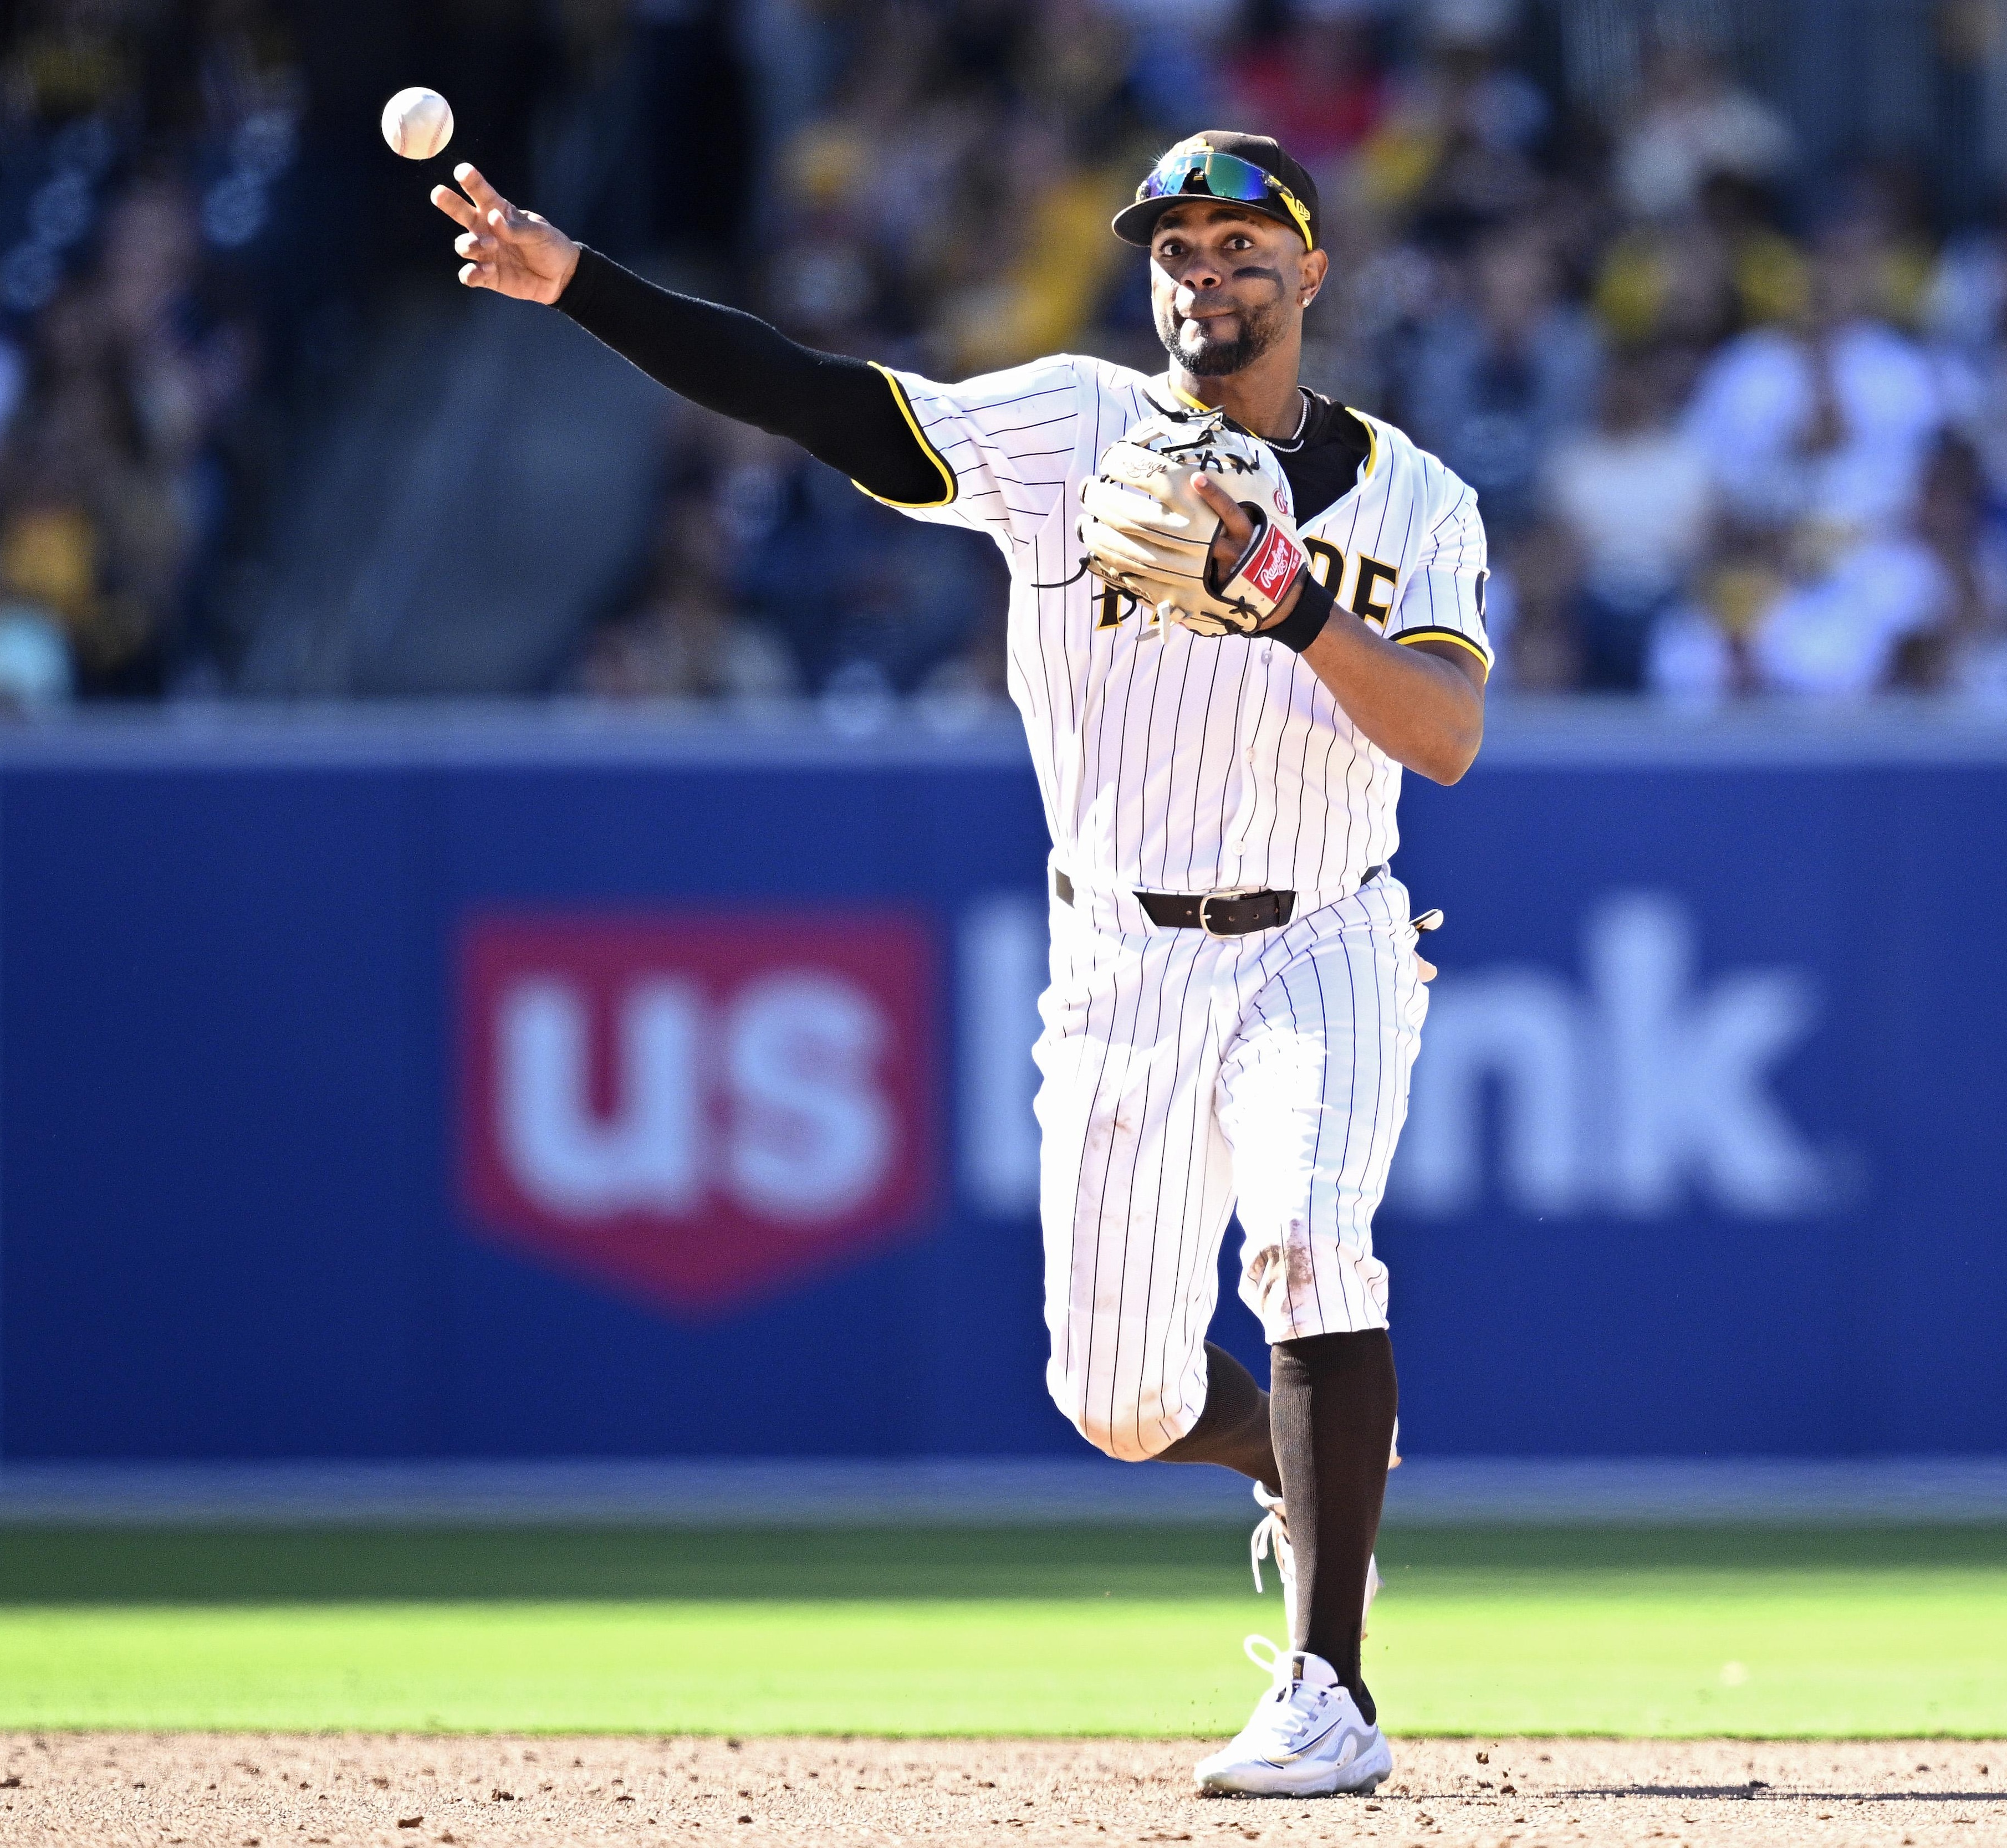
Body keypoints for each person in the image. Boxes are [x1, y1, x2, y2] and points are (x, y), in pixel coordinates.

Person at [433, 129, 1489, 1799]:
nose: (1205, 274)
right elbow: (826, 401)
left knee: (1310, 1246)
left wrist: (1283, 598)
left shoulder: (1421, 499)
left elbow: (1441, 736)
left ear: (1312, 271)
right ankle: (1284, 1454)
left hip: (1329, 931)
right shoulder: (1073, 427)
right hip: (1125, 959)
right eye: (1177, 250)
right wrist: (582, 288)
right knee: (1122, 1399)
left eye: (1239, 246)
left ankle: (1329, 1688)